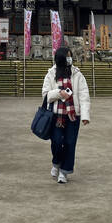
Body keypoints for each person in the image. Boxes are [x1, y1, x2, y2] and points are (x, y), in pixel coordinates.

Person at [41, 45, 90, 184]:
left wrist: (85, 115)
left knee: (69, 143)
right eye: (67, 56)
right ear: (61, 58)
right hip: (56, 115)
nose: (70, 58)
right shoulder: (51, 74)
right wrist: (58, 93)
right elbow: (45, 95)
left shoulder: (77, 74)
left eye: (70, 56)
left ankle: (64, 171)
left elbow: (84, 95)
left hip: (73, 115)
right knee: (56, 142)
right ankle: (56, 162)